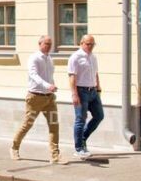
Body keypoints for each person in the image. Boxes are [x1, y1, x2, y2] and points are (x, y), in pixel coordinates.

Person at [12, 35, 61, 164]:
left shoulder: (50, 59)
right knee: (27, 124)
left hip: (49, 99)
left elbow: (49, 76)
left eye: (50, 44)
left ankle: (55, 155)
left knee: (54, 125)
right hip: (35, 98)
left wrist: (52, 87)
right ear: (39, 44)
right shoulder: (34, 58)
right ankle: (14, 147)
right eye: (46, 44)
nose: (49, 46)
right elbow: (34, 75)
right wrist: (47, 85)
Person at [67, 34, 103, 159]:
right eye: (88, 44)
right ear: (81, 43)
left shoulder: (93, 57)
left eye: (93, 44)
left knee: (99, 116)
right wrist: (74, 94)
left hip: (93, 91)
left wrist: (98, 87)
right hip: (81, 91)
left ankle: (83, 139)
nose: (90, 46)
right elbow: (72, 77)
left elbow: (96, 73)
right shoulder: (75, 57)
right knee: (80, 119)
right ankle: (78, 148)